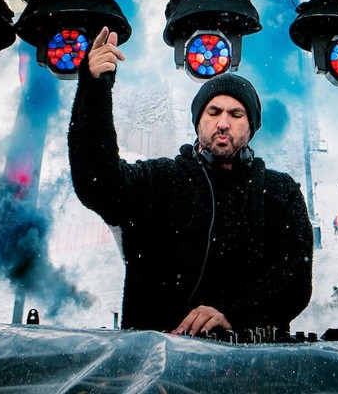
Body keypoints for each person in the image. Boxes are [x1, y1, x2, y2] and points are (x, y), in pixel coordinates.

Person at [68, 28, 313, 335]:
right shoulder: (157, 181)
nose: (223, 123)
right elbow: (96, 181)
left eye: (236, 114)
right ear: (199, 122)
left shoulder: (279, 192)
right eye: (214, 112)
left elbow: (294, 281)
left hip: (249, 368)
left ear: (251, 128)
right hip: (156, 368)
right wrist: (94, 88)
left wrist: (233, 313)